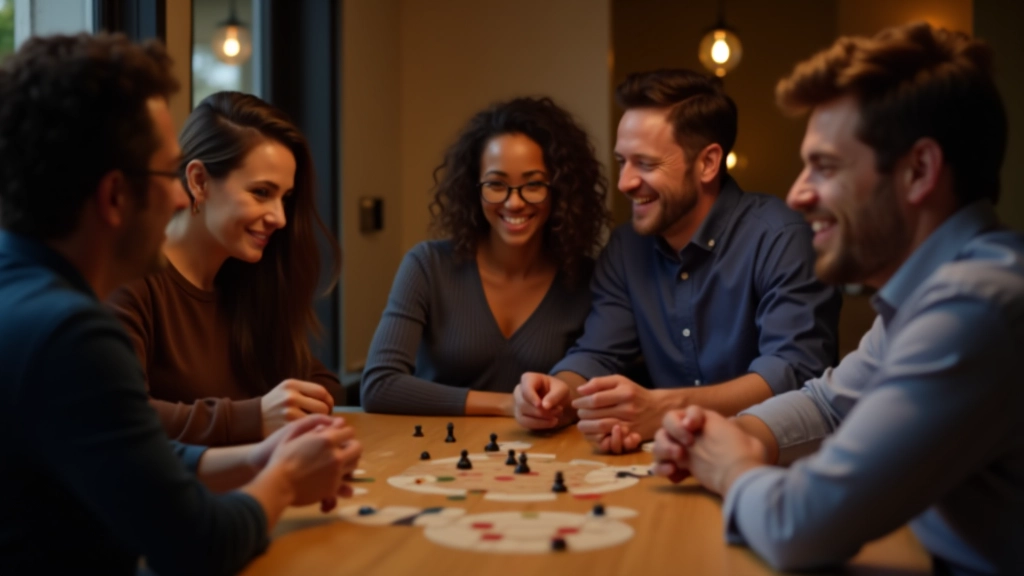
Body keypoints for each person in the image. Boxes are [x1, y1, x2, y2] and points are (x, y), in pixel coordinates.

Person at [652, 23, 1024, 575]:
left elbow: (797, 527)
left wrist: (729, 468)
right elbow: (830, 402)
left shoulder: (975, 307)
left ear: (919, 171)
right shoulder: (931, 290)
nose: (798, 193)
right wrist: (735, 433)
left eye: (824, 167)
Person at [0, 33, 362, 575]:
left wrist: (257, 458)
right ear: (115, 195)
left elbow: (135, 458)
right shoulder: (70, 331)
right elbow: (200, 544)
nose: (176, 197)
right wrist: (283, 477)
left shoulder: (21, 288)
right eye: (166, 173)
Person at [514, 69, 842, 453]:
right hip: (669, 458)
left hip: (775, 464)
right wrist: (557, 393)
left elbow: (793, 371)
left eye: (646, 164)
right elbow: (598, 353)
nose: (624, 183)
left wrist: (664, 407)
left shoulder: (781, 236)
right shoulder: (625, 248)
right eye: (622, 162)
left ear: (707, 163)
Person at [107, 91, 343, 446]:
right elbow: (120, 416)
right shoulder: (129, 281)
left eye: (286, 198)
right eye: (261, 192)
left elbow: (321, 382)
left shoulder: (246, 278)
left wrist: (294, 407)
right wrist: (252, 417)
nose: (279, 218)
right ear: (199, 181)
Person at [361, 97, 610, 416]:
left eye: (533, 184)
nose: (514, 202)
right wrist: (508, 404)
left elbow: (595, 384)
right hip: (432, 455)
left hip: (547, 455)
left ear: (560, 190)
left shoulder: (588, 279)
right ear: (472, 188)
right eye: (496, 184)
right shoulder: (427, 266)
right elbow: (380, 386)